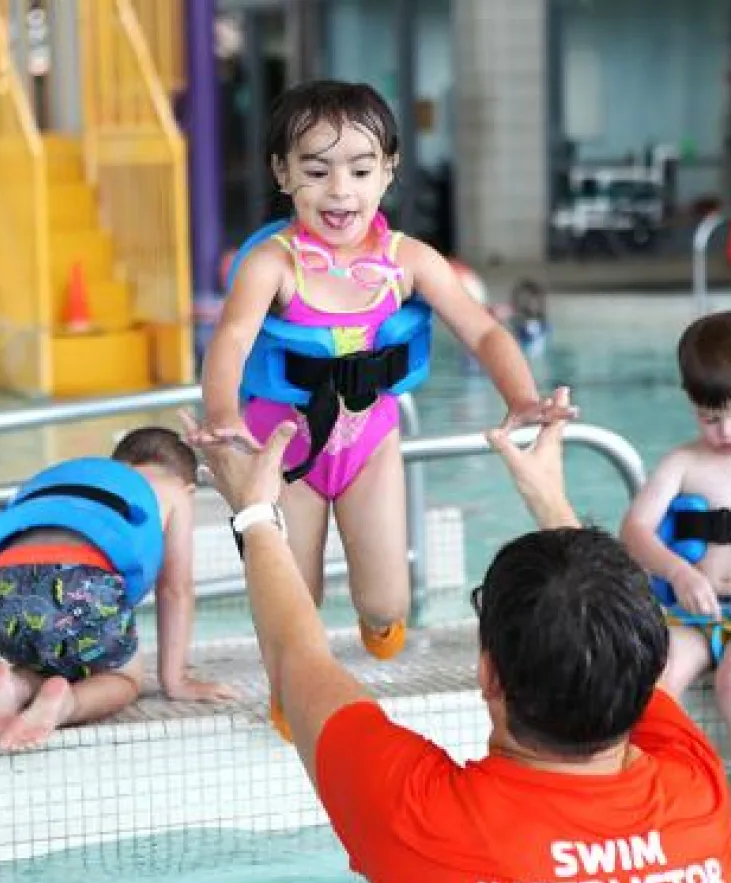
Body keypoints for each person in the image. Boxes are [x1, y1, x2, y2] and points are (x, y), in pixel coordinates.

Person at [186, 388, 731, 883]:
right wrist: (552, 500)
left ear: (490, 676)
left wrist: (254, 511)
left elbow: (298, 659)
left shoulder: (420, 816)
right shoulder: (699, 789)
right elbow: (611, 643)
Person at [189, 80, 572, 738]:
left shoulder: (408, 262)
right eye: (317, 170)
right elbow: (230, 340)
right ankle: (292, 679)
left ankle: (376, 619)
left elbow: (481, 330)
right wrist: (223, 414)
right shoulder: (273, 267)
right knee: (294, 592)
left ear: (389, 171)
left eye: (361, 170)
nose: (341, 191)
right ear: (283, 173)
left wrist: (523, 398)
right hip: (284, 451)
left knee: (386, 600)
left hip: (369, 444)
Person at [0, 427, 234, 751]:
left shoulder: (83, 481)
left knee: (52, 656)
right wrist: (175, 680)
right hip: (81, 581)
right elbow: (175, 590)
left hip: (1, 587)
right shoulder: (173, 490)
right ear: (189, 487)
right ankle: (65, 704)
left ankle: (15, 686)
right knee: (123, 677)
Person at [621, 311, 731, 747]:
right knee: (652, 688)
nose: (725, 431)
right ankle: (654, 789)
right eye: (709, 418)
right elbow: (635, 530)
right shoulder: (682, 463)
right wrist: (678, 572)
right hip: (694, 616)